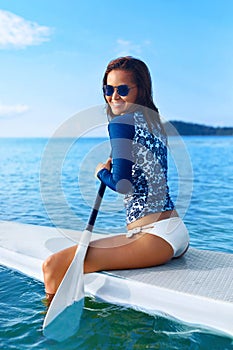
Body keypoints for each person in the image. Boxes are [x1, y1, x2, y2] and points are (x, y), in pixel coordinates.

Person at [42, 56, 190, 306]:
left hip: (154, 238)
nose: (114, 96)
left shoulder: (121, 123)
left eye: (122, 89)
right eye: (108, 89)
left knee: (53, 266)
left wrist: (100, 172)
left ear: (140, 90)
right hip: (176, 232)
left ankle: (49, 332)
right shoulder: (154, 123)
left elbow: (123, 184)